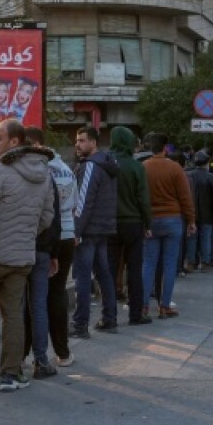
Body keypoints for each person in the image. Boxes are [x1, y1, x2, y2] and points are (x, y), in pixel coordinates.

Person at [0, 119, 54, 392]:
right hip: (21, 258)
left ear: (14, 141)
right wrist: (25, 234)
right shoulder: (44, 174)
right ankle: (10, 374)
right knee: (13, 314)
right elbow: (47, 217)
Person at [26, 127, 77, 368]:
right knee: (57, 294)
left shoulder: (39, 169)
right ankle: (63, 353)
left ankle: (26, 354)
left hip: (46, 237)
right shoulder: (66, 168)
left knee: (33, 297)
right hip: (68, 234)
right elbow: (75, 204)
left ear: (35, 145)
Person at [70, 126, 119, 337]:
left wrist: (75, 230)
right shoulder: (108, 164)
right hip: (103, 227)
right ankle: (110, 318)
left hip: (89, 229)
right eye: (77, 141)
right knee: (103, 273)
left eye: (82, 140)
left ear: (93, 143)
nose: (77, 145)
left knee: (82, 276)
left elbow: (84, 201)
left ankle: (80, 324)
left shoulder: (91, 165)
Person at [141, 134, 195, 320]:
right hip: (173, 219)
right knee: (170, 264)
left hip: (151, 220)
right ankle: (164, 306)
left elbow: (140, 196)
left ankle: (143, 306)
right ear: (165, 148)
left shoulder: (144, 167)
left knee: (148, 263)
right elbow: (185, 197)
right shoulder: (175, 168)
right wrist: (191, 220)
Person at [108, 127, 151, 326]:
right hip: (133, 223)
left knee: (109, 270)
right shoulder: (136, 167)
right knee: (134, 270)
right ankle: (136, 314)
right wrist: (147, 223)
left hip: (109, 224)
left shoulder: (106, 164)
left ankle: (109, 315)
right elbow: (143, 199)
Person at [185, 151, 213, 272]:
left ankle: (191, 262)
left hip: (191, 212)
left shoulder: (187, 175)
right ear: (206, 163)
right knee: (206, 238)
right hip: (208, 213)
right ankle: (205, 262)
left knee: (192, 238)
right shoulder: (211, 177)